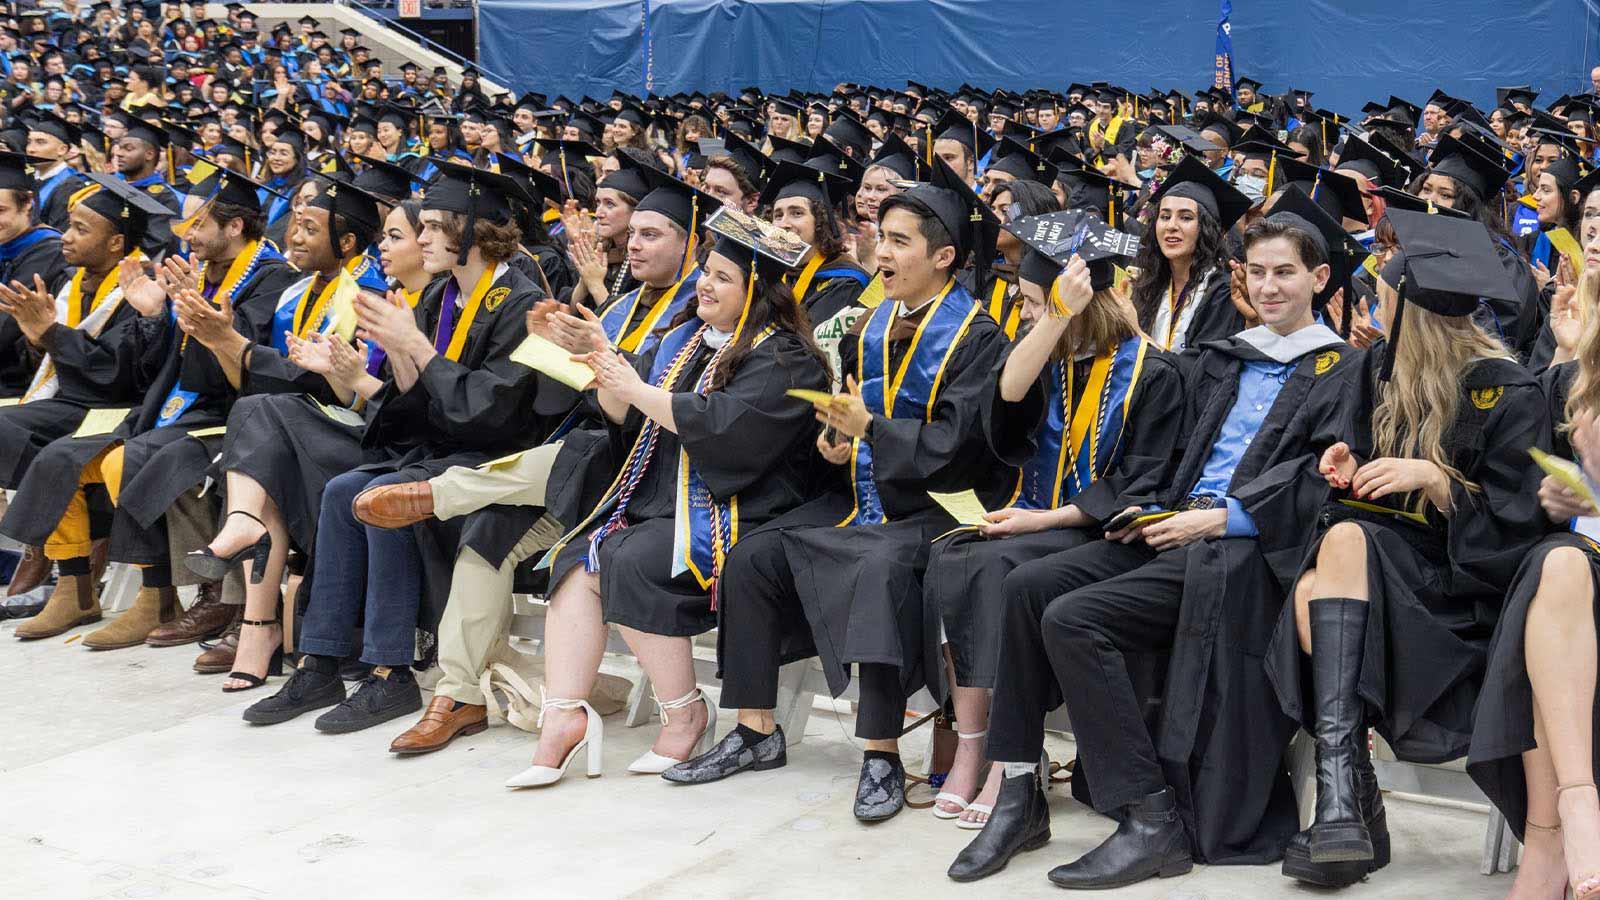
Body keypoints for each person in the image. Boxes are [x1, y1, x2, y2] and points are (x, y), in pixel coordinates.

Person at [955, 189, 1361, 887]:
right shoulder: (1222, 358)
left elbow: (1320, 480)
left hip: (1241, 552)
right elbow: (1161, 451)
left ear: (1319, 279)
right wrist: (1143, 507)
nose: (1269, 286)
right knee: (1024, 586)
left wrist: (1224, 517)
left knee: (1073, 619)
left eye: (1286, 273)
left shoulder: (1345, 370)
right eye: (1258, 272)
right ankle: (1018, 791)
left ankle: (1150, 819)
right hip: (1169, 527)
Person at [664, 160, 1007, 825]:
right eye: (882, 237)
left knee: (877, 570)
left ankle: (880, 752)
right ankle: (756, 730)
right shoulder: (867, 327)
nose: (883, 252)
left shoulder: (978, 339)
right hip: (861, 494)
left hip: (938, 508)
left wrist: (870, 429)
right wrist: (837, 444)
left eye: (901, 241)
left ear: (943, 257)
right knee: (754, 557)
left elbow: (957, 449)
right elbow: (845, 423)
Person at [497, 206, 829, 786]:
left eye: (722, 277)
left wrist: (632, 384)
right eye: (706, 272)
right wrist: (602, 363)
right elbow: (627, 417)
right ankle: (564, 718)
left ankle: (685, 713)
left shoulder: (786, 358)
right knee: (578, 556)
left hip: (741, 514)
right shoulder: (690, 342)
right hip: (666, 508)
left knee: (626, 558)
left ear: (756, 293)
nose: (705, 284)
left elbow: (725, 430)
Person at [1266, 208, 1548, 888]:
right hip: (1386, 576)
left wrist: (1440, 483)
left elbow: (1524, 533)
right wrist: (1348, 465)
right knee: (1329, 559)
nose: (1374, 310)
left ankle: (1349, 803)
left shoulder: (1508, 392)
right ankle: (1345, 800)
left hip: (1463, 597)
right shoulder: (1377, 374)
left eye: (1385, 301)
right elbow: (1360, 484)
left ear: (1411, 315)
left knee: (1321, 579)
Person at [240, 164, 550, 733]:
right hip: (437, 449)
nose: (422, 237)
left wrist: (415, 349)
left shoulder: (519, 303)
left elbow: (494, 412)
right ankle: (320, 661)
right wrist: (387, 363)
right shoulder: (439, 296)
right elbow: (417, 404)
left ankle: (392, 671)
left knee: (383, 495)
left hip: (495, 461)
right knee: (342, 491)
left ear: (471, 228)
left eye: (432, 226)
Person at [923, 210, 1181, 829]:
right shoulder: (1051, 360)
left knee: (1000, 569)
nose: (1027, 315)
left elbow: (1141, 482)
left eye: (1036, 304)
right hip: (1037, 521)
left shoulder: (1155, 373)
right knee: (952, 554)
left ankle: (1010, 755)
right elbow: (1008, 393)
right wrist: (1053, 321)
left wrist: (1041, 522)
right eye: (1029, 303)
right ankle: (972, 742)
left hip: (1100, 534)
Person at [1, 170, 301, 647]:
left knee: (125, 460)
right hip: (170, 406)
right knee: (60, 456)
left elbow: (239, 367)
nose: (187, 235)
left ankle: (164, 594)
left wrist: (202, 323)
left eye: (197, 225)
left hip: (228, 411)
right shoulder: (194, 274)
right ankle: (74, 586)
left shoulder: (272, 280)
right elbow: (158, 365)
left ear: (235, 227)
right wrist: (155, 315)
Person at [1469, 235, 1600, 900]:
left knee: (1554, 578)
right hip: (1585, 572)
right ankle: (1575, 806)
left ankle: (1550, 841)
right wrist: (1569, 356)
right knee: (1557, 564)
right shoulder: (1582, 371)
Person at [0, 174, 172, 616]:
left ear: (116, 243)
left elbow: (116, 374)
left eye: (80, 229)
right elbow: (51, 362)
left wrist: (50, 333)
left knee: (57, 454)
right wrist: (36, 336)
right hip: (75, 402)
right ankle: (55, 534)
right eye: (69, 225)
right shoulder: (73, 282)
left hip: (121, 408)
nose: (66, 236)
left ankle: (62, 556)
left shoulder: (139, 285)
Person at [1130, 156, 1251, 352]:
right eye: (1165, 216)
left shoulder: (1222, 293)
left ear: (1206, 229)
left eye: (1186, 218)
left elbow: (1199, 364)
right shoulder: (1149, 285)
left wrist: (1136, 332)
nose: (1171, 226)